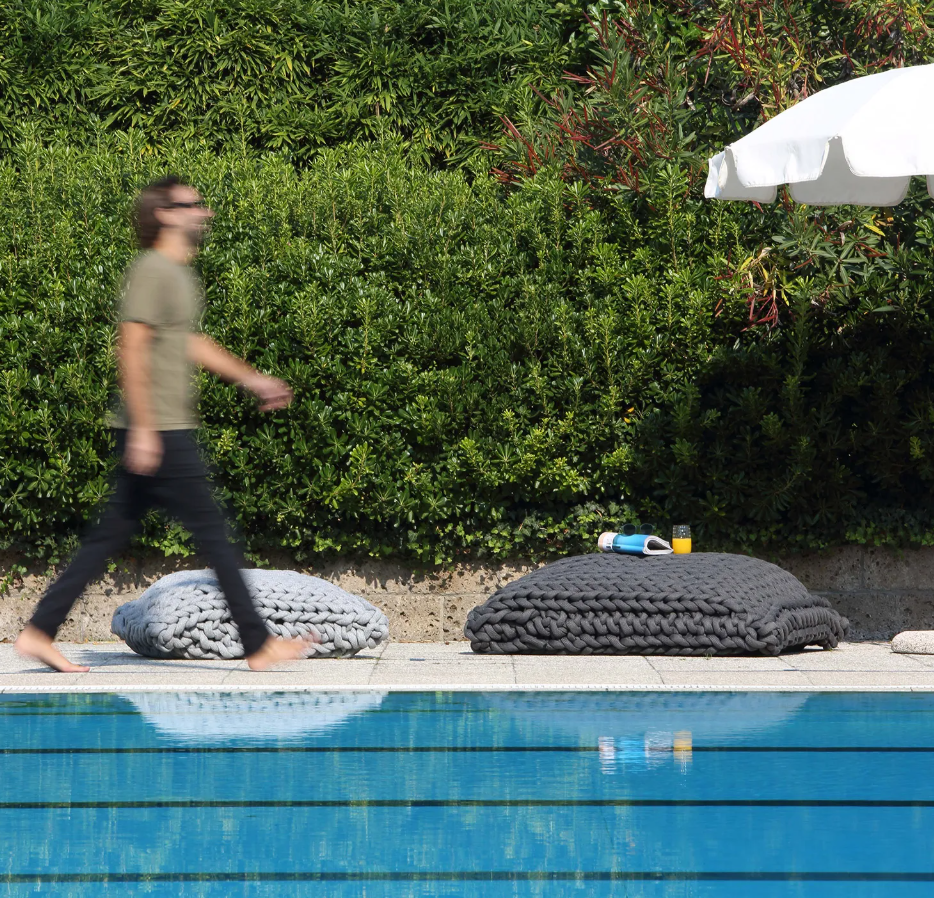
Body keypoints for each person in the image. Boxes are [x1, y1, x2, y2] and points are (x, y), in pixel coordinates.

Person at [16, 175, 311, 672]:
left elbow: (188, 343)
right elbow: (130, 347)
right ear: (164, 214)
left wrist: (252, 379)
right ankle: (259, 644)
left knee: (109, 536)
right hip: (160, 428)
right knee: (215, 535)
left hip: (161, 427)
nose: (203, 212)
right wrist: (145, 428)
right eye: (191, 204)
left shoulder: (176, 273)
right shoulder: (153, 269)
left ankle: (39, 631)